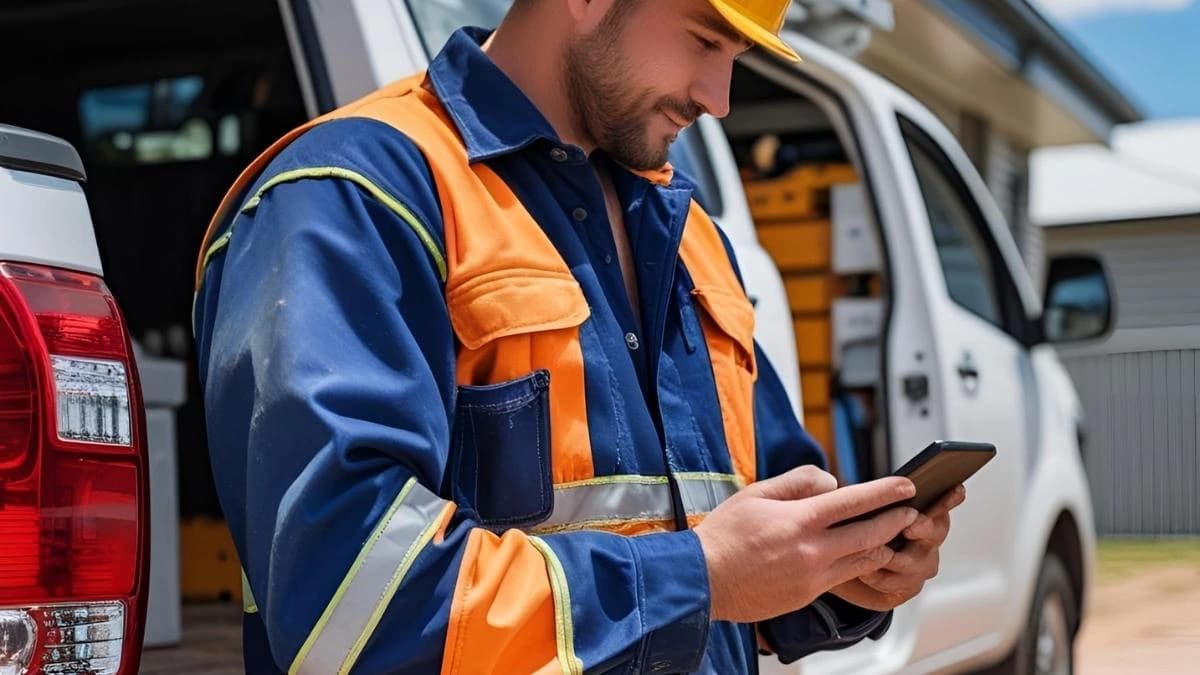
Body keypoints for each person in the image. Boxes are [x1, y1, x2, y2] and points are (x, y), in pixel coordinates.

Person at [192, 0, 965, 672]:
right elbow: (346, 605)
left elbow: (754, 547)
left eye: (737, 57)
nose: (719, 99)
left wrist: (846, 568)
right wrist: (699, 577)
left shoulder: (693, 238)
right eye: (703, 40)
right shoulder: (351, 197)